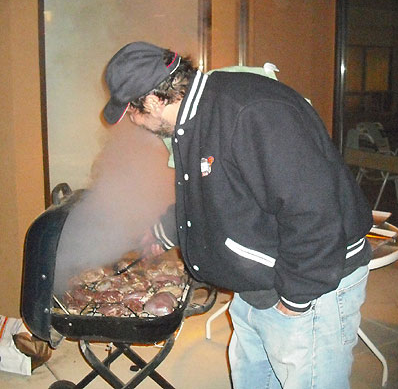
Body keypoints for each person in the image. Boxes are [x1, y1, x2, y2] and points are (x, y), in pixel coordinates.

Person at [102, 41, 374, 388]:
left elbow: (315, 213)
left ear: (154, 100)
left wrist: (295, 300)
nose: (135, 123)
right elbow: (217, 192)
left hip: (308, 286)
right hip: (257, 285)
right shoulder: (196, 117)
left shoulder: (251, 112)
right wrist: (164, 231)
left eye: (133, 112)